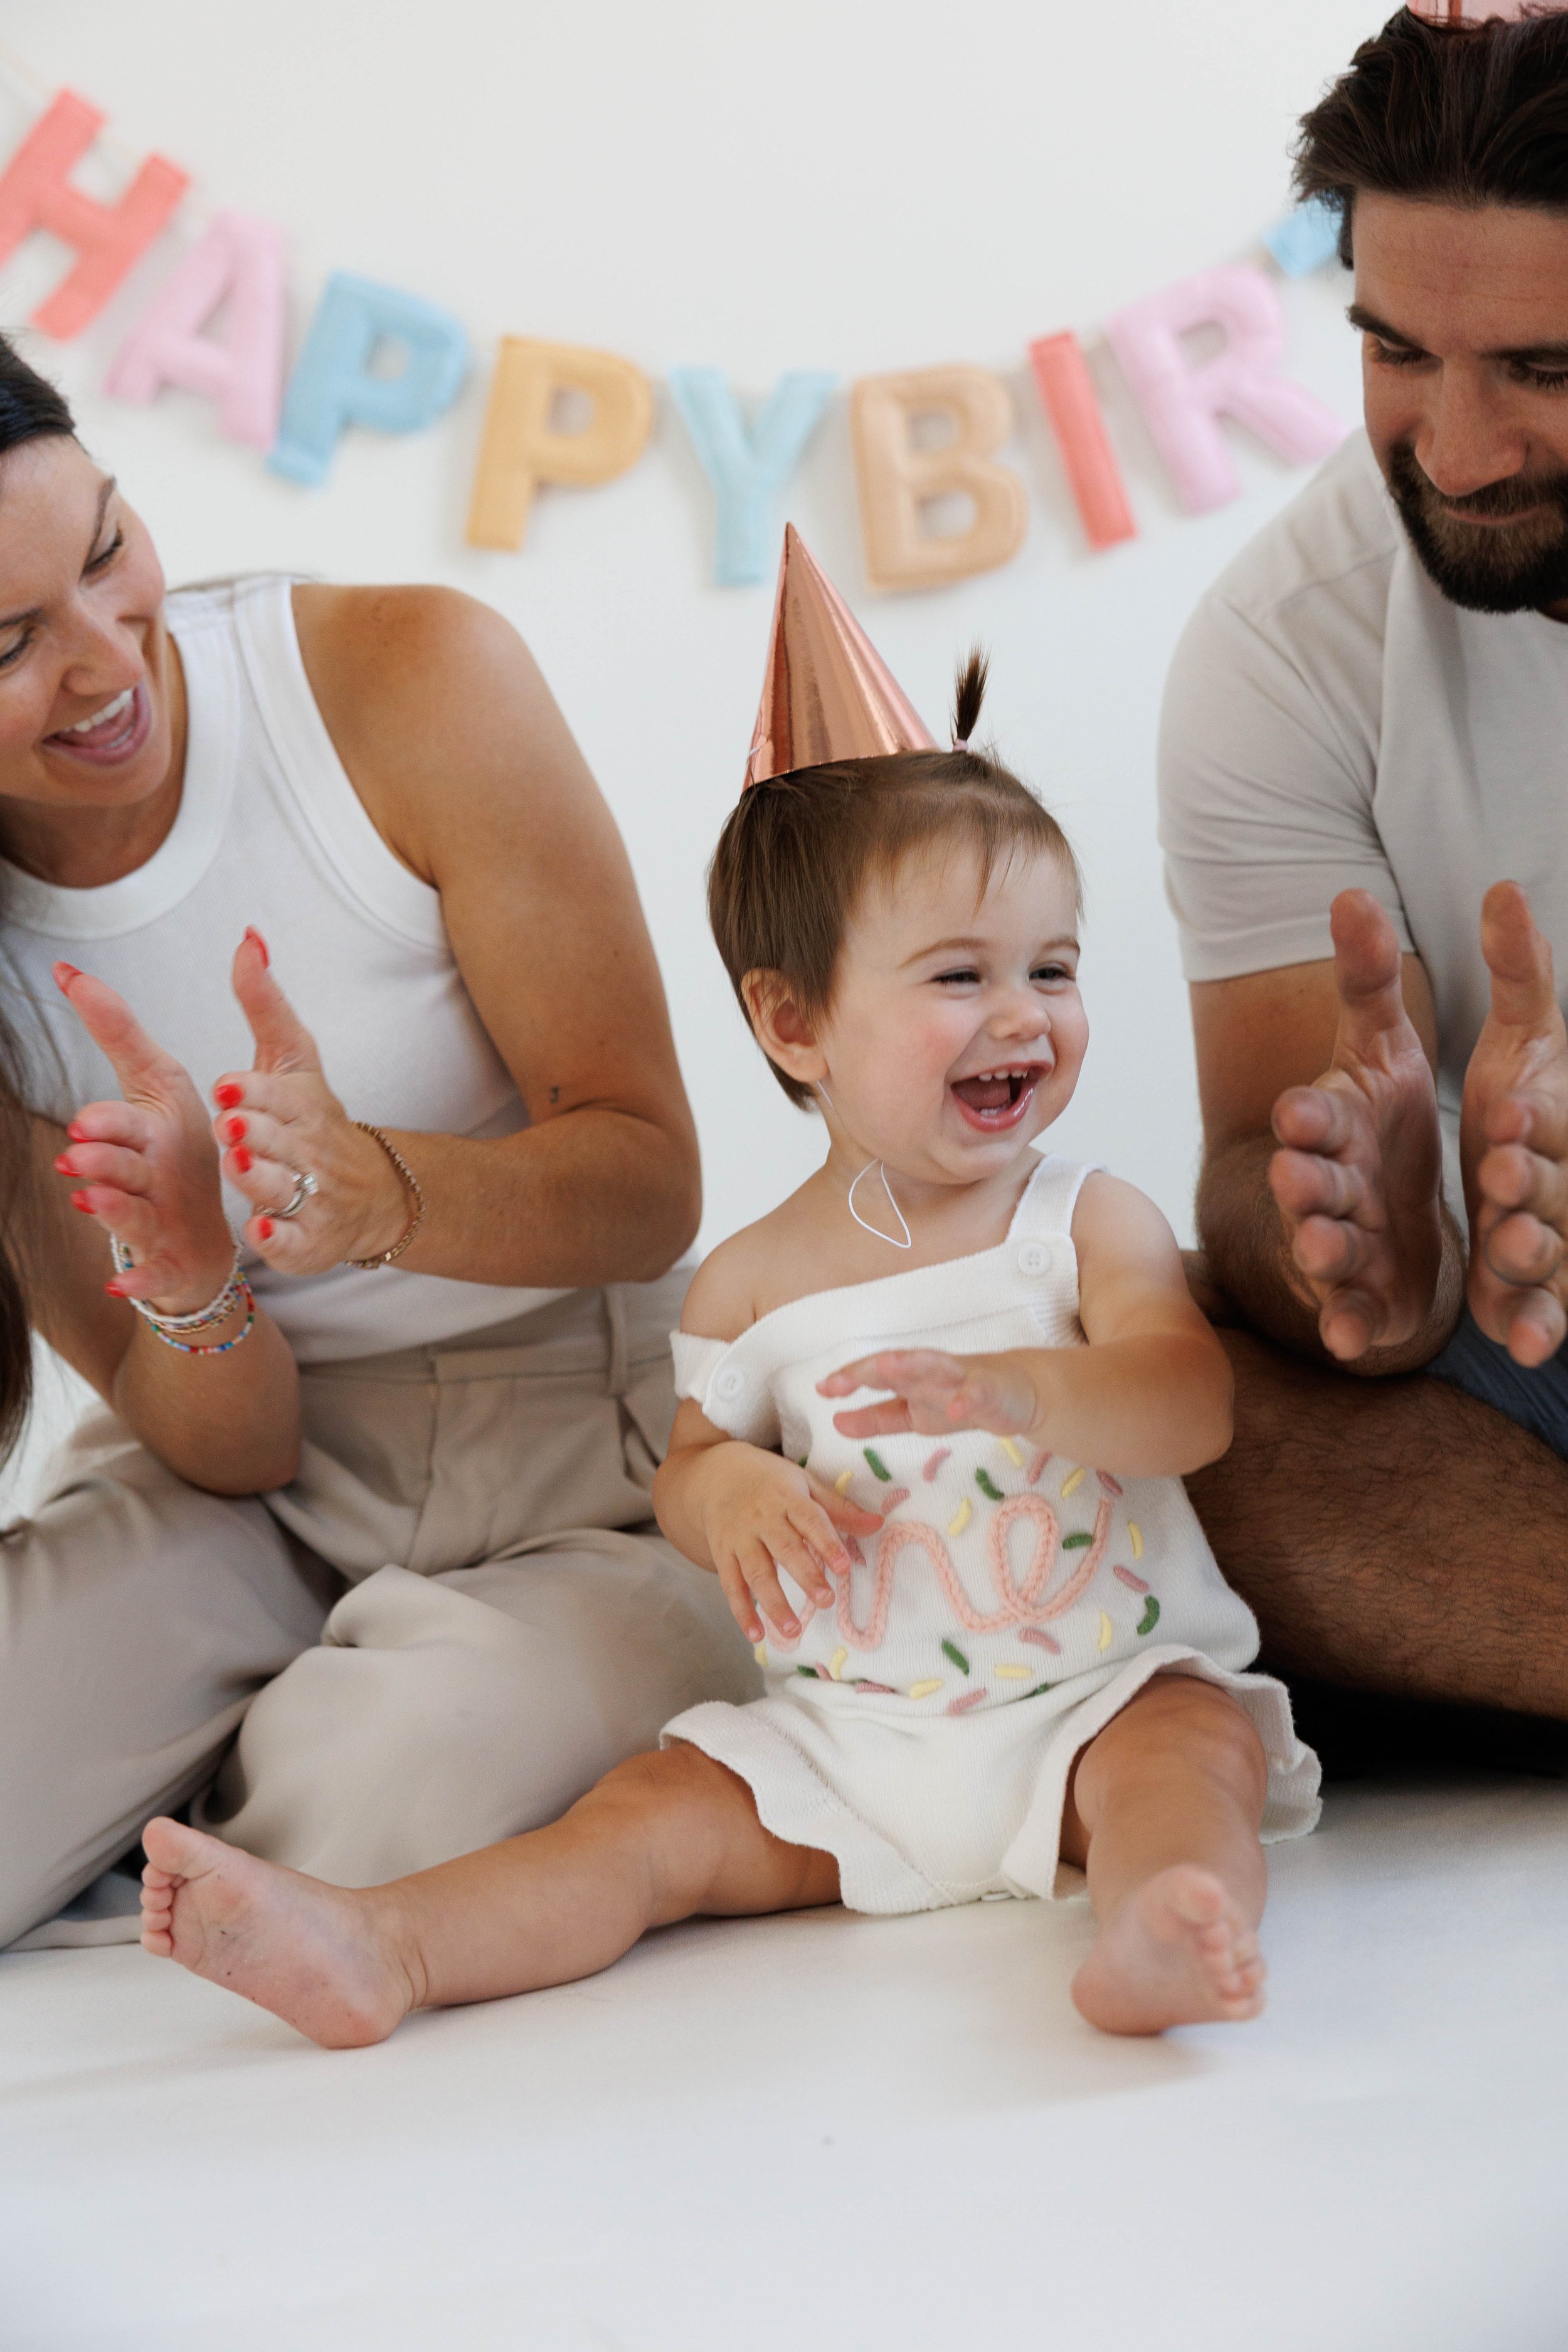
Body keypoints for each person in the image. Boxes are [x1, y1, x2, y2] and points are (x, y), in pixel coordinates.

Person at [134, 531, 1320, 2046]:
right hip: (849, 1739)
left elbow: (1188, 1404)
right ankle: (391, 1948)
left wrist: (1023, 1390)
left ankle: (1161, 1919)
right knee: (646, 1819)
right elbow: (688, 1469)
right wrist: (732, 1500)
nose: (1022, 1015)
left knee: (1187, 1762)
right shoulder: (750, 1283)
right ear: (793, 1019)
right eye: (959, 977)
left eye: (1053, 969)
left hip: (1092, 1696)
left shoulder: (1081, 1223)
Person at [0, 336, 755, 1954]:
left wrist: (380, 1194)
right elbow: (231, 1452)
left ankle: (258, 1757)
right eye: (9, 640)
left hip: (583, 1435)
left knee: (373, 1805)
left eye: (109, 549)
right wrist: (197, 1277)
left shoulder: (402, 678)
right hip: (249, 1487)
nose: (103, 662)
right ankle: (214, 1745)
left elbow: (645, 1181)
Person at [1160, 5, 1568, 1768]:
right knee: (1142, 1414)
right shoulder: (1285, 643)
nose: (1456, 452)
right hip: (1518, 1386)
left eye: (1543, 370)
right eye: (1396, 349)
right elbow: (1250, 1164)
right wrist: (1356, 1254)